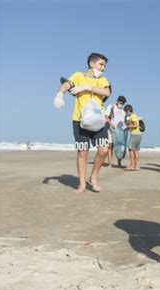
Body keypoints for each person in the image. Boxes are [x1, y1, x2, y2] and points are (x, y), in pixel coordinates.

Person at [53, 52, 111, 193]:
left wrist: (87, 87)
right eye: (101, 64)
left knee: (103, 149)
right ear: (91, 64)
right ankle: (82, 184)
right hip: (80, 120)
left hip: (99, 120)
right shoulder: (78, 76)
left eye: (104, 65)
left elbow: (107, 92)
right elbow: (67, 84)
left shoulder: (103, 79)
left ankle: (93, 177)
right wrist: (60, 94)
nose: (103, 68)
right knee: (83, 152)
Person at [105, 95, 127, 167]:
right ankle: (110, 163)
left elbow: (125, 120)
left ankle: (119, 163)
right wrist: (111, 124)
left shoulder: (124, 110)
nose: (122, 104)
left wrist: (125, 128)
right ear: (117, 101)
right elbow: (106, 116)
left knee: (119, 146)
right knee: (110, 146)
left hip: (120, 131)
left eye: (123, 103)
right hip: (111, 129)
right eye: (121, 102)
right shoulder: (111, 107)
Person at [124, 104, 142, 171]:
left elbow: (135, 125)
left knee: (131, 150)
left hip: (134, 135)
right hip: (138, 134)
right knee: (136, 150)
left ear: (128, 110)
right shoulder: (134, 116)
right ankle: (136, 166)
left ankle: (132, 166)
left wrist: (127, 127)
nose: (125, 113)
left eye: (126, 112)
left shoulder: (132, 116)